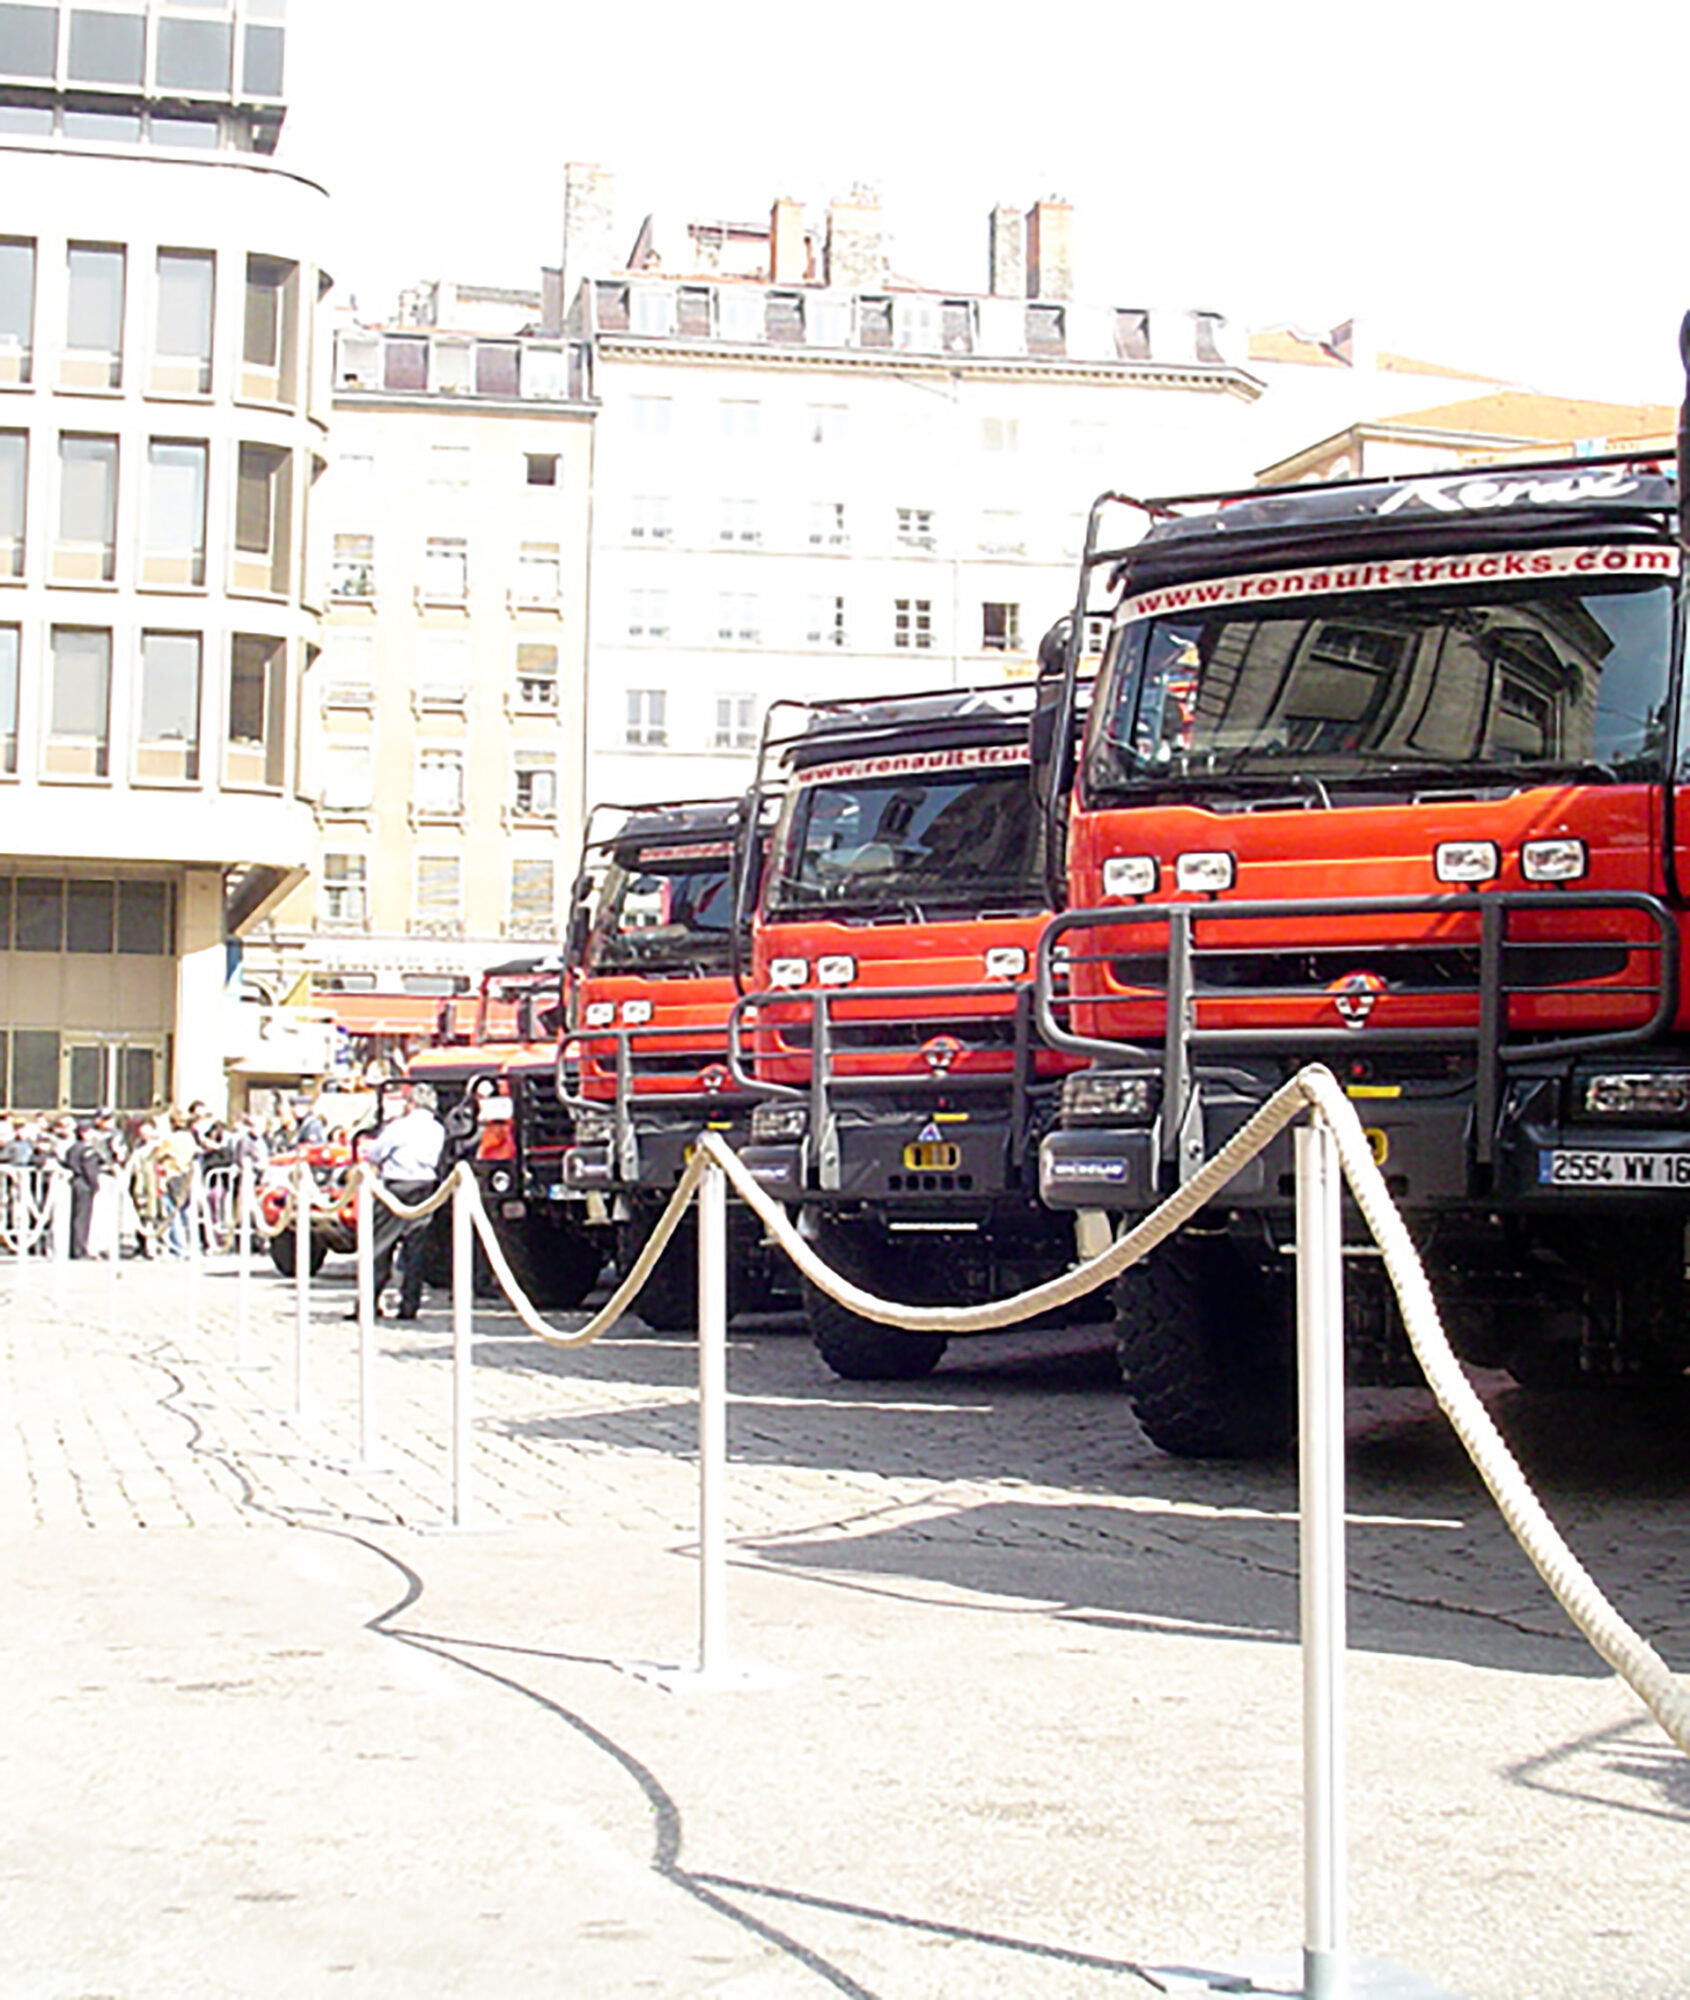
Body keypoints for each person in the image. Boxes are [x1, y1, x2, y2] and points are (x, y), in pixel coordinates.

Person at [360, 1082, 445, 1320]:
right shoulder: (438, 1129)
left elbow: (376, 1153)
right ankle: (410, 1304)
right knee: (416, 1249)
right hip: (425, 1187)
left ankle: (368, 1301)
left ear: (412, 1103)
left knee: (380, 1246)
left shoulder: (399, 1127)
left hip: (397, 1185)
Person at [64, 1123, 105, 1258]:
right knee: (83, 1217)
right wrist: (95, 1185)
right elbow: (90, 1169)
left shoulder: (72, 1149)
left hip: (75, 1182)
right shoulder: (87, 1150)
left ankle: (74, 1246)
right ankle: (80, 1249)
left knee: (75, 1216)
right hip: (84, 1184)